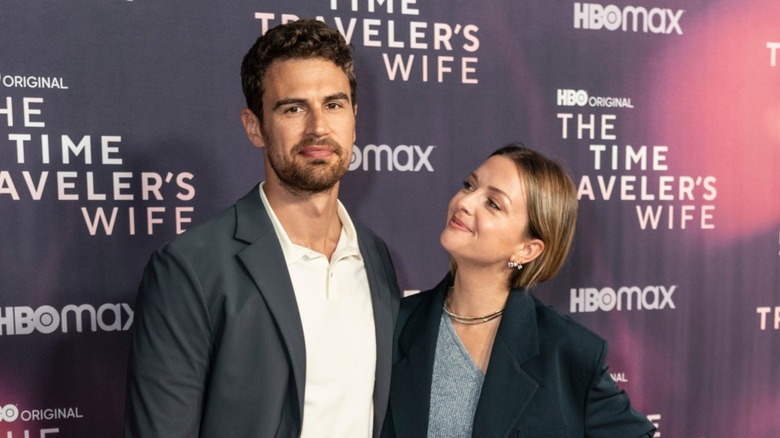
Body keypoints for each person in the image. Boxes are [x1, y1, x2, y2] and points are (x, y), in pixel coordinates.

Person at [124, 19, 400, 437]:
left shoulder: (374, 256)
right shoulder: (191, 270)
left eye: (334, 104)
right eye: (293, 108)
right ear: (254, 127)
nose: (318, 128)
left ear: (355, 119)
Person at [382, 144, 656, 437]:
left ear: (527, 249)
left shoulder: (569, 352)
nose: (465, 201)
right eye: (469, 185)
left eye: (493, 203)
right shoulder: (393, 325)